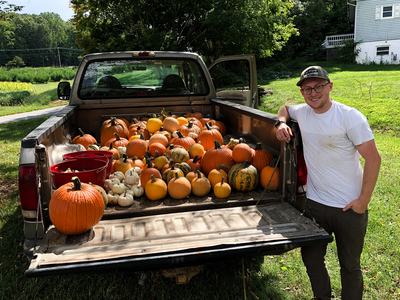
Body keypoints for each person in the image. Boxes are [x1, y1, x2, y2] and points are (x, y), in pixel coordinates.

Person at [274, 66, 381, 300]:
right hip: (315, 205)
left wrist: (363, 201)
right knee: (311, 259)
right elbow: (285, 108)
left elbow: (374, 158)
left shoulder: (349, 117)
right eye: (307, 88)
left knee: (350, 265)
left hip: (349, 208)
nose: (313, 93)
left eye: (318, 86)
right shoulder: (302, 112)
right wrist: (280, 123)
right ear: (302, 92)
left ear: (330, 86)